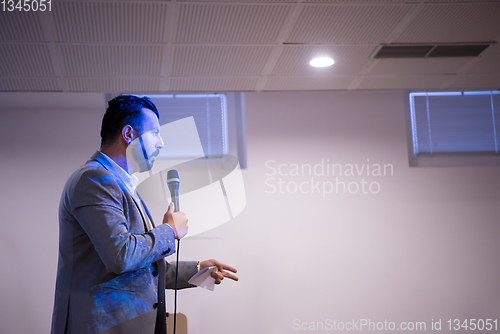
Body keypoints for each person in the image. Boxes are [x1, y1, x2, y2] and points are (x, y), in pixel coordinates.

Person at [51, 95, 238, 334]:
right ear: (129, 134)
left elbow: (143, 270)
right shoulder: (94, 180)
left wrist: (199, 269)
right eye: (155, 133)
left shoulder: (122, 185)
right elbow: (121, 255)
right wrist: (169, 231)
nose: (161, 143)